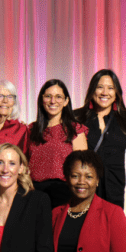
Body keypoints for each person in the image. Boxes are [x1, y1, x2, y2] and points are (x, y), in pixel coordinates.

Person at [74, 70, 126, 208]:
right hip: (83, 187)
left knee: (111, 227)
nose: (104, 92)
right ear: (92, 90)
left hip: (115, 190)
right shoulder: (76, 117)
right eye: (100, 87)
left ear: (116, 93)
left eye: (110, 88)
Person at [28, 79, 88, 208]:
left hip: (63, 193)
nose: (53, 101)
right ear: (41, 100)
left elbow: (81, 168)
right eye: (48, 96)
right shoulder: (31, 130)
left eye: (58, 97)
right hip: (34, 193)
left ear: (66, 101)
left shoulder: (75, 129)